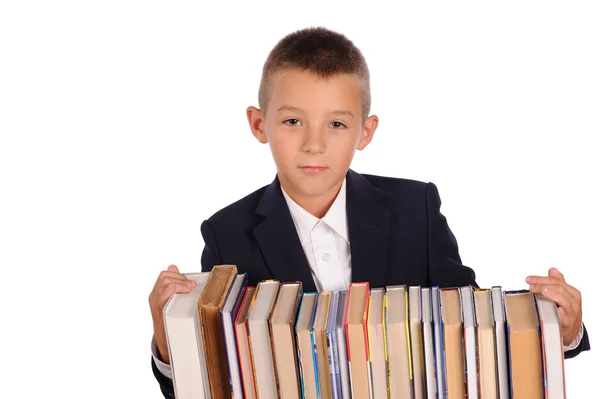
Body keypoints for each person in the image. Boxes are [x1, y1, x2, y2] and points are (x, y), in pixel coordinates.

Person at [147, 26, 590, 398]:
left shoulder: (414, 208)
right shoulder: (227, 232)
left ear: (366, 131)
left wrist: (562, 330)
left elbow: (469, 329)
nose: (314, 144)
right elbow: (215, 377)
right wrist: (168, 340)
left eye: (336, 124)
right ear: (258, 124)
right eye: (292, 121)